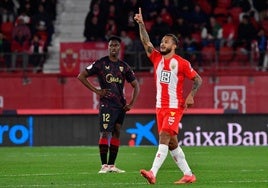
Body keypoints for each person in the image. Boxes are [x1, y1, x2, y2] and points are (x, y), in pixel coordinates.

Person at [134, 8, 202, 184]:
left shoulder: (181, 63)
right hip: (160, 107)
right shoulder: (156, 58)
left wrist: (191, 95)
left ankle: (152, 172)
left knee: (164, 136)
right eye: (162, 41)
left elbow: (198, 80)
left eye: (166, 42)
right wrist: (141, 24)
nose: (162, 44)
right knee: (172, 143)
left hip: (174, 106)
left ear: (174, 46)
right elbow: (145, 41)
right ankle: (188, 174)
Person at [77, 36, 140, 173]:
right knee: (105, 133)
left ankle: (112, 165)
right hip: (107, 105)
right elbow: (81, 75)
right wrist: (97, 91)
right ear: (108, 47)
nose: (113, 48)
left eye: (116, 45)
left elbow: (136, 85)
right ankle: (103, 165)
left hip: (120, 105)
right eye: (111, 45)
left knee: (116, 132)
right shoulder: (100, 63)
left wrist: (131, 103)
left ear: (120, 48)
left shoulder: (124, 66)